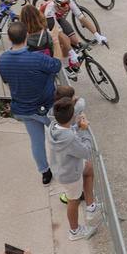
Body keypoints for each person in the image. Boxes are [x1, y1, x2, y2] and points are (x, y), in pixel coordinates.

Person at [0, 22, 61, 184]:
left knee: (36, 141)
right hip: (45, 107)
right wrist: (55, 40)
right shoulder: (37, 58)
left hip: (23, 109)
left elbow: (6, 80)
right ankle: (62, 168)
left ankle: (44, 172)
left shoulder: (3, 59)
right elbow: (57, 65)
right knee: (59, 138)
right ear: (26, 35)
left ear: (9, 38)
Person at [47, 95, 100, 240]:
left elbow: (68, 131)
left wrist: (77, 127)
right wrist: (84, 130)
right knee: (73, 200)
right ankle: (75, 231)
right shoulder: (69, 138)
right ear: (71, 117)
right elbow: (86, 151)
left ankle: (91, 207)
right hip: (70, 175)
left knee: (88, 169)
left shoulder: (54, 126)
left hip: (64, 167)